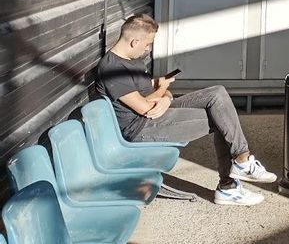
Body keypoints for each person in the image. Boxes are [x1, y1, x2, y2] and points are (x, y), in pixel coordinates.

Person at [96, 14, 276, 206]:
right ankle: (230, 184)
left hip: (157, 113)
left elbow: (155, 94)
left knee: (217, 93)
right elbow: (145, 108)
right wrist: (163, 92)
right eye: (147, 44)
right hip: (141, 128)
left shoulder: (132, 61)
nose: (148, 49)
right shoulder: (111, 69)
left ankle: (241, 162)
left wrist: (164, 97)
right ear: (134, 41)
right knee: (220, 119)